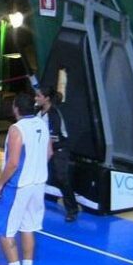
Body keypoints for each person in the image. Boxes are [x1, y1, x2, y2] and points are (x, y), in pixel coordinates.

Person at [0, 92, 52, 265]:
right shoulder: (42, 123)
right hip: (38, 184)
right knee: (28, 228)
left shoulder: (16, 129)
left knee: (4, 232)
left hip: (18, 186)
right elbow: (49, 153)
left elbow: (13, 163)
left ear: (15, 108)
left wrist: (0, 183)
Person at [36, 86, 78, 222]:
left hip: (59, 149)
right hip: (44, 148)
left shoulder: (53, 114)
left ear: (46, 98)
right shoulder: (38, 112)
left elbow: (53, 138)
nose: (36, 98)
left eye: (39, 96)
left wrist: (45, 156)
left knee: (62, 179)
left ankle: (72, 210)